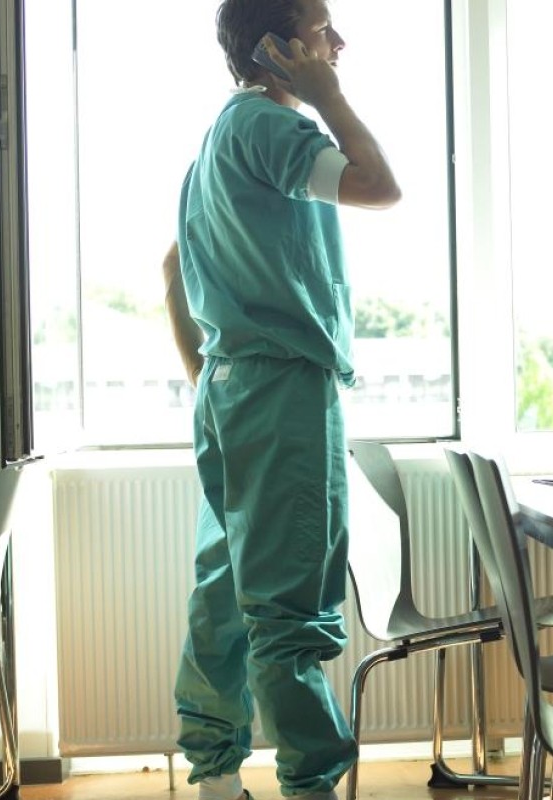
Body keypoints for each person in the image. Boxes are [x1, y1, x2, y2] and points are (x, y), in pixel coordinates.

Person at [161, 1, 400, 798]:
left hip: (232, 391)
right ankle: (310, 787)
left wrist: (219, 384)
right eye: (323, 27)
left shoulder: (217, 142)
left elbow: (172, 271)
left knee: (225, 597)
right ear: (277, 47)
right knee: (289, 610)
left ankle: (216, 780)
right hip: (280, 391)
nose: (339, 42)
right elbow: (378, 185)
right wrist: (328, 95)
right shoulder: (270, 126)